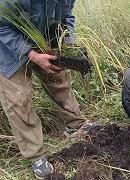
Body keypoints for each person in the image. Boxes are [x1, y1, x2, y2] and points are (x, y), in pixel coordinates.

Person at [0, 0, 94, 179]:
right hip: (6, 48)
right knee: (19, 99)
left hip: (42, 36)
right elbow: (1, 28)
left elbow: (67, 15)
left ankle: (76, 125)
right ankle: (36, 156)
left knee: (58, 78)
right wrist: (32, 55)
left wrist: (66, 41)